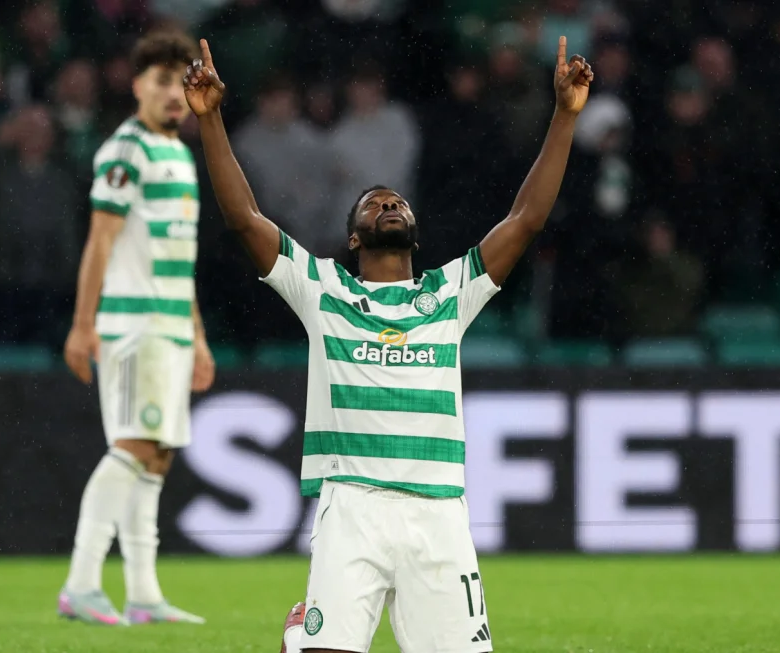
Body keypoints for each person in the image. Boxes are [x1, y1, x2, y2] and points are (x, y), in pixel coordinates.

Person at [184, 36, 592, 653]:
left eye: (396, 201)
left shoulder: (450, 292)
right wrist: (213, 120)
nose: (389, 204)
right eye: (374, 204)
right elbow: (245, 219)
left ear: (414, 232)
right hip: (354, 505)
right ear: (354, 237)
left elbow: (526, 219)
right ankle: (305, 636)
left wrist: (563, 116)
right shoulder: (323, 290)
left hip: (439, 512)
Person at [58, 30, 215, 627]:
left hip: (171, 326)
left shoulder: (178, 153)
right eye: (161, 81)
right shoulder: (125, 152)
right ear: (136, 86)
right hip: (135, 325)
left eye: (181, 82)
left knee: (157, 458)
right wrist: (82, 326)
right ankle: (80, 584)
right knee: (133, 447)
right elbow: (99, 241)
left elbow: (178, 257)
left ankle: (144, 595)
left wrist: (197, 336)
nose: (174, 94)